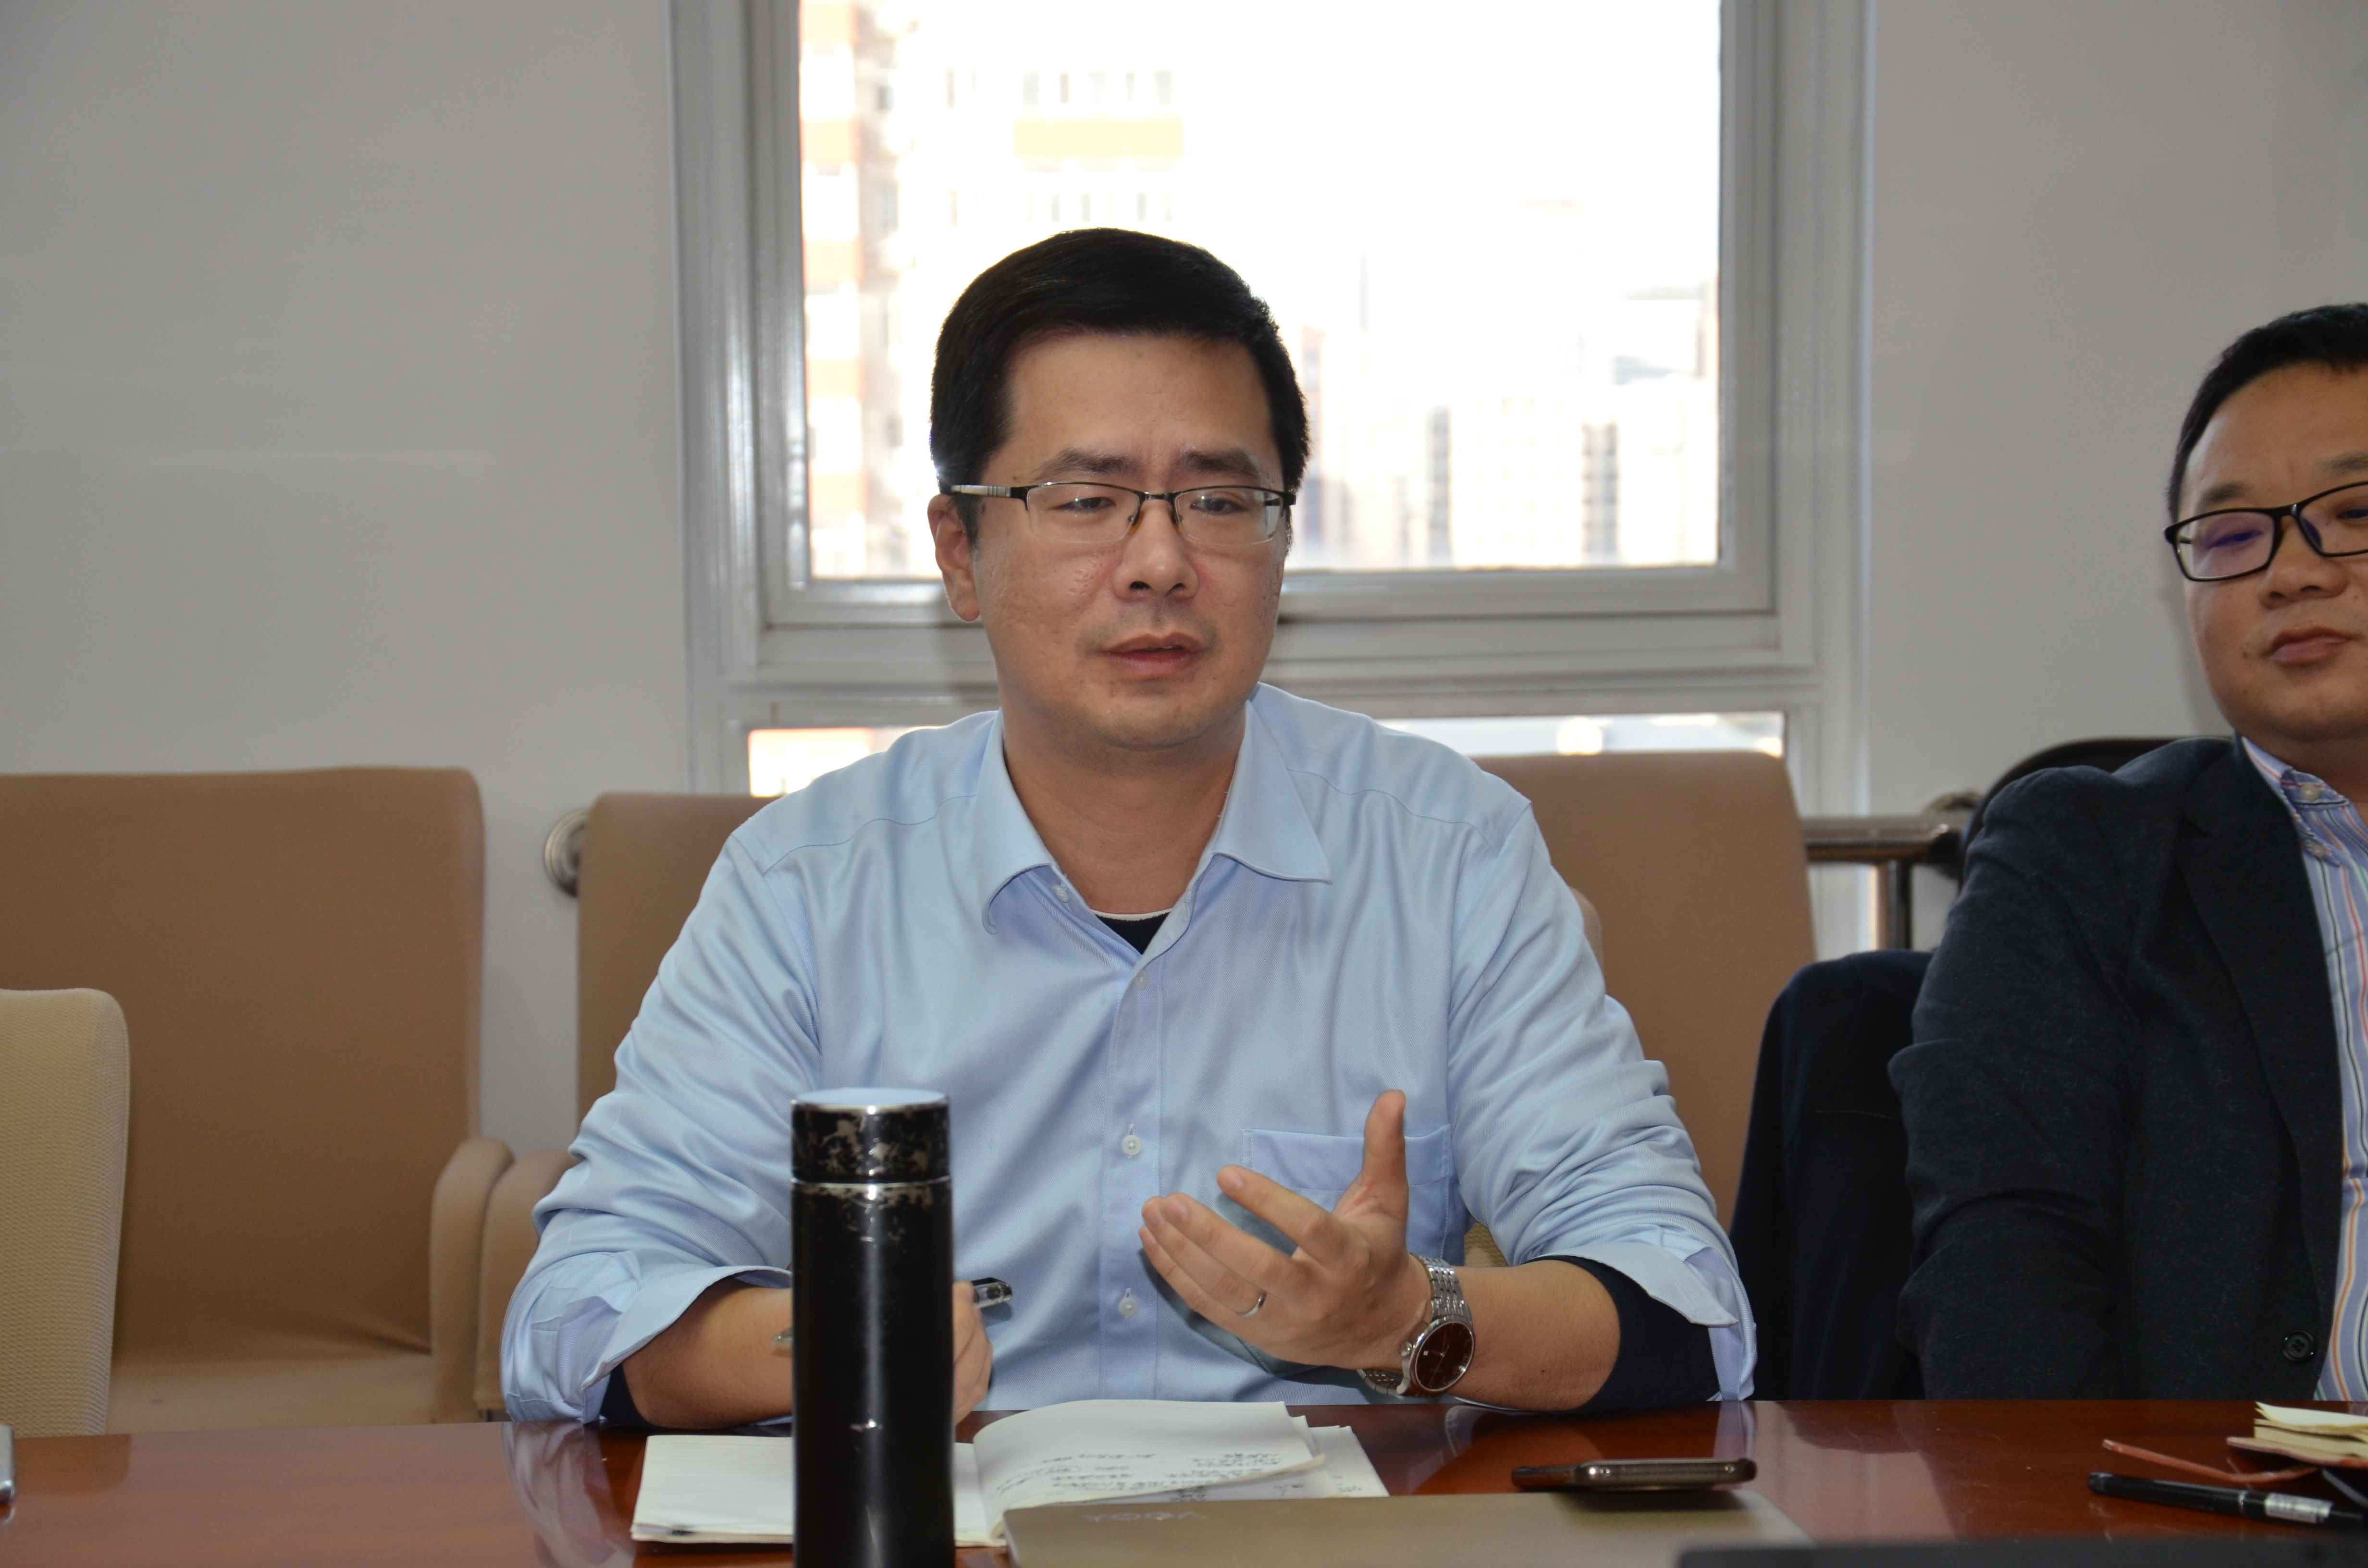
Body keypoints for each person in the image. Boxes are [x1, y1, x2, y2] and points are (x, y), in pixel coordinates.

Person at [503, 228, 1750, 1427]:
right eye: (1087, 499)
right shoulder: (807, 888)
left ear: (1281, 538)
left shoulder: (1451, 856)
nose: (1159, 562)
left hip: (1319, 1530)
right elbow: (572, 1314)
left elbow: (1690, 1307)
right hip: (940, 1522)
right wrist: (836, 1342)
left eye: (1219, 499)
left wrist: (1411, 1318)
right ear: (959, 551)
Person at [1894, 302, 2368, 1397]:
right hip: (2235, 1482)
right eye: (2232, 536)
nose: (2292, 573)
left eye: (2354, 513)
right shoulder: (2083, 858)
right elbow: (2002, 1270)